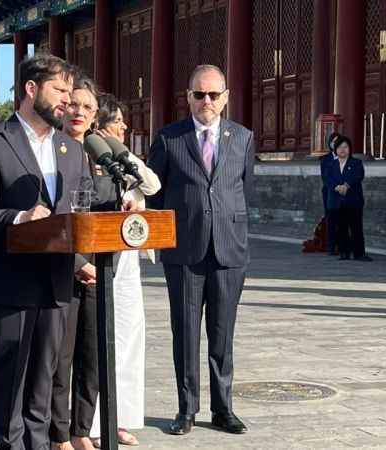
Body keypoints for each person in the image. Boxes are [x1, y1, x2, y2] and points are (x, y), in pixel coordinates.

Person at [0, 54, 93, 450]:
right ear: (31, 89)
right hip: (11, 280)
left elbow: (78, 211)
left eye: (71, 93)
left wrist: (83, 259)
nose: (67, 102)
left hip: (57, 280)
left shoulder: (71, 148)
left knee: (45, 377)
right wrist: (20, 217)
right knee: (12, 375)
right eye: (60, 91)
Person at [146, 64, 254, 436]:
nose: (206, 101)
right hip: (185, 252)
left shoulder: (242, 137)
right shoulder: (168, 139)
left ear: (225, 97)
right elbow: (154, 193)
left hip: (229, 251)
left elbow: (243, 189)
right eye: (199, 94)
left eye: (213, 94)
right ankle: (186, 409)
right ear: (188, 97)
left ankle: (223, 409)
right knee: (186, 333)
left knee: (222, 335)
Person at [87, 93, 161, 447]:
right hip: (99, 257)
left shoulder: (120, 157)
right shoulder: (88, 155)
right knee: (100, 339)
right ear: (98, 125)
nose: (125, 126)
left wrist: (123, 151)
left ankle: (121, 416)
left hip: (129, 255)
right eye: (117, 121)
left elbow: (153, 185)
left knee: (129, 337)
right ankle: (93, 420)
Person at [50, 76, 116, 450]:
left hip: (99, 267)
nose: (79, 112)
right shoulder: (50, 150)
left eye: (88, 108)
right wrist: (77, 261)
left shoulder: (100, 153)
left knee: (92, 355)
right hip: (60, 265)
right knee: (61, 357)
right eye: (74, 104)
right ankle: (58, 434)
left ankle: (81, 430)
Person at [324, 135, 372, 262]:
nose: (343, 150)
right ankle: (344, 252)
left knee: (356, 227)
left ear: (350, 149)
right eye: (340, 147)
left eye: (345, 147)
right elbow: (327, 179)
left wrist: (346, 185)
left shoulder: (356, 163)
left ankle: (359, 253)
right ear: (335, 150)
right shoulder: (330, 164)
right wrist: (336, 187)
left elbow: (358, 176)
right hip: (336, 200)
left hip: (353, 200)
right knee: (341, 228)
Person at [320, 133, 340, 255]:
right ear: (330, 143)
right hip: (330, 193)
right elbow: (326, 178)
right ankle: (331, 246)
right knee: (331, 219)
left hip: (344, 193)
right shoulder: (325, 159)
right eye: (334, 141)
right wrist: (336, 187)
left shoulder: (346, 157)